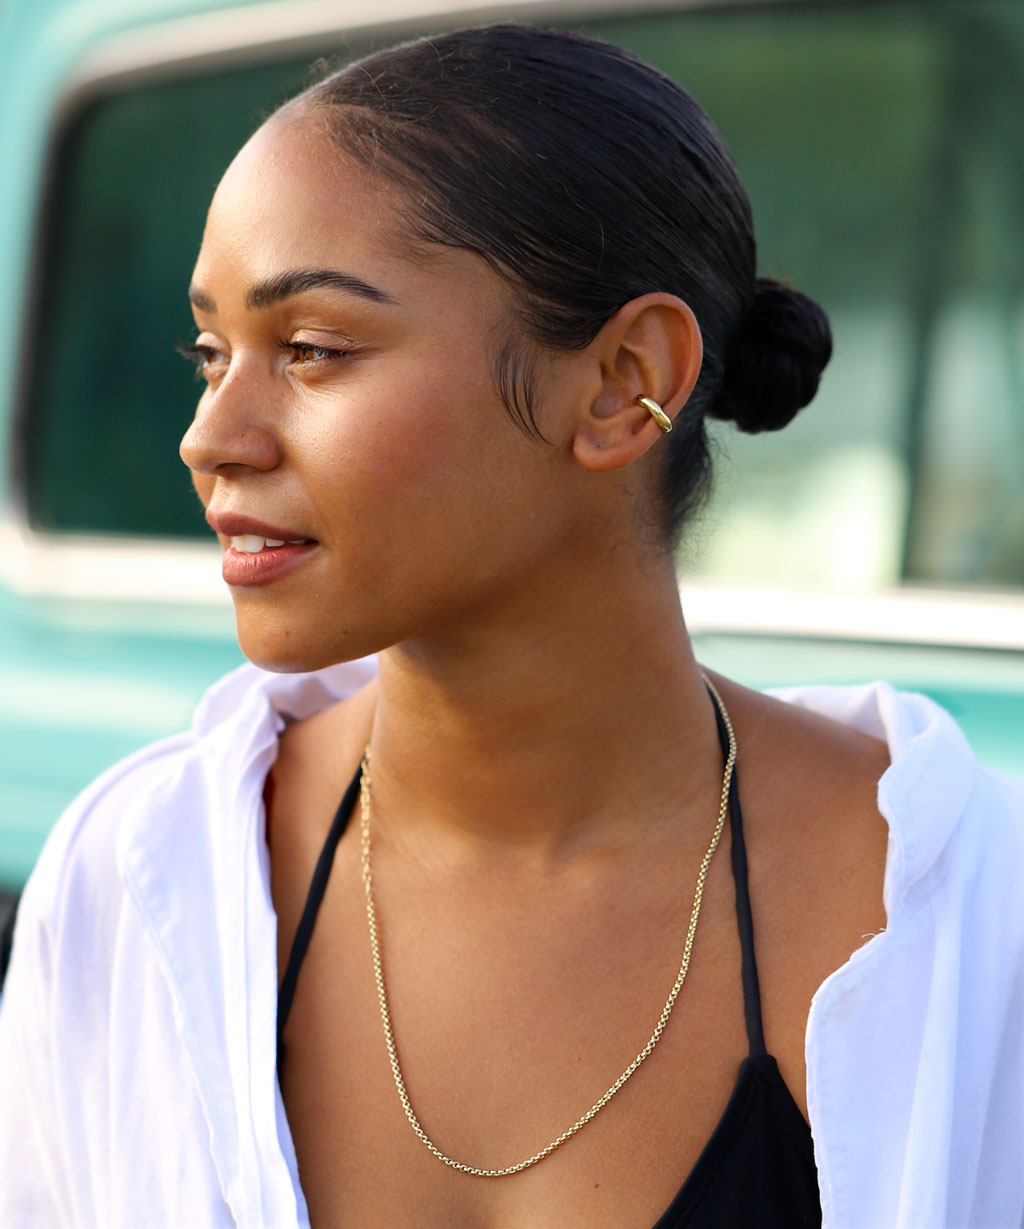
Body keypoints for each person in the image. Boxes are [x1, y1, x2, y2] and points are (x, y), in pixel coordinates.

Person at [1, 22, 1022, 1229]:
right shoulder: (134, 877)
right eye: (210, 353)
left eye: (313, 349)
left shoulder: (964, 912)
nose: (211, 436)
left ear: (620, 380)